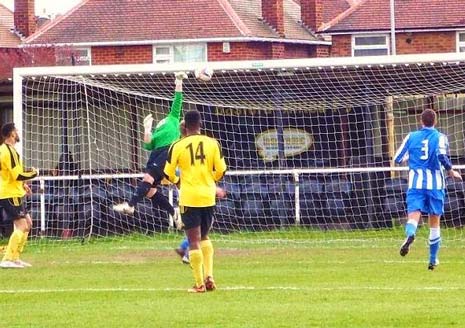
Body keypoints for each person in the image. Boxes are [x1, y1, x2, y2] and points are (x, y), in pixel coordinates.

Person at [164, 110, 227, 293]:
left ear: (185, 125)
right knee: (205, 236)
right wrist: (211, 181)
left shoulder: (177, 145)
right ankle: (210, 276)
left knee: (193, 240)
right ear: (200, 124)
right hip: (208, 196)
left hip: (189, 196)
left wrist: (178, 182)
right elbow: (222, 169)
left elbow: (168, 173)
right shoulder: (212, 143)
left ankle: (199, 284)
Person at [394, 109, 462, 270]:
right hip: (435, 185)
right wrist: (450, 170)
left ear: (420, 121)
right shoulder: (440, 137)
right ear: (435, 121)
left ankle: (411, 234)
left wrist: (412, 156)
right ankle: (432, 259)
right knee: (434, 223)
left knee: (413, 215)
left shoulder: (411, 136)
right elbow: (441, 155)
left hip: (416, 184)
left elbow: (397, 158)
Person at [113, 72, 187, 218]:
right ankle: (174, 213)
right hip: (155, 155)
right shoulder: (156, 132)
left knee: (147, 179)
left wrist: (178, 81)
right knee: (150, 190)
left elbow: (177, 99)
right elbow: (147, 145)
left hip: (168, 151)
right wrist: (147, 129)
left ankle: (130, 205)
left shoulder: (172, 118)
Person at [0, 123, 39, 268]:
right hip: (10, 194)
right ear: (11, 134)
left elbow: (8, 174)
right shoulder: (9, 152)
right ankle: (7, 259)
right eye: (16, 131)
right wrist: (34, 173)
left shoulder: (6, 150)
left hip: (15, 192)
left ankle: (15, 257)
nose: (18, 133)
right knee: (22, 225)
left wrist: (23, 185)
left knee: (28, 224)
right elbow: (17, 174)